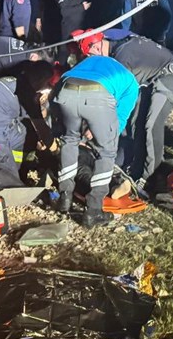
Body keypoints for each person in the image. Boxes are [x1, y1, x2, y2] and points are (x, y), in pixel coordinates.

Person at [73, 28, 173, 188]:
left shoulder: (122, 59)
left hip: (170, 77)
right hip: (150, 81)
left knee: (151, 125)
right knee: (136, 123)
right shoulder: (115, 45)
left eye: (90, 56)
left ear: (96, 47)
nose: (92, 60)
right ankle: (136, 169)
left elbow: (112, 100)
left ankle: (151, 177)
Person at [53, 53, 138, 227]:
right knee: (106, 152)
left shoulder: (89, 62)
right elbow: (120, 118)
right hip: (98, 95)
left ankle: (65, 198)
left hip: (67, 90)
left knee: (69, 141)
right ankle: (93, 210)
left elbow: (59, 87)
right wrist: (103, 133)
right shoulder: (131, 82)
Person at [0, 61, 57, 189]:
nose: (46, 86)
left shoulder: (17, 79)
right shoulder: (25, 90)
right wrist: (55, 150)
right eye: (46, 82)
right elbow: (41, 128)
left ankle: (17, 173)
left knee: (21, 132)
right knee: (4, 167)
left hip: (3, 125)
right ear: (40, 78)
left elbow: (26, 114)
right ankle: (8, 187)